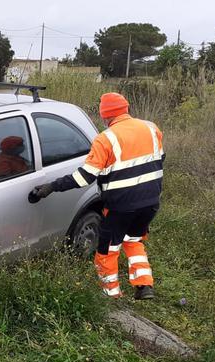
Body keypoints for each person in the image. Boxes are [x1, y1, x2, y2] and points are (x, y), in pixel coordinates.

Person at [30, 92, 164, 300]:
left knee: (108, 248)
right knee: (133, 240)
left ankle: (110, 294)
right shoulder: (151, 128)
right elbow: (158, 159)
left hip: (121, 205)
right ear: (126, 109)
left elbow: (85, 177)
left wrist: (52, 187)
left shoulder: (106, 139)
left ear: (105, 115)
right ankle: (144, 286)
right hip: (151, 201)